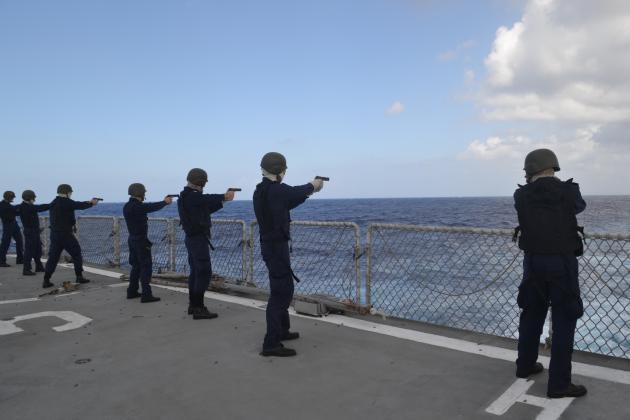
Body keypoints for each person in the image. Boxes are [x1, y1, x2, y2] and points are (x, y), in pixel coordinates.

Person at [513, 148, 588, 399]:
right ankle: (559, 385)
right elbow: (579, 207)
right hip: (561, 263)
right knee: (564, 319)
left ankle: (524, 366)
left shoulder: (521, 195)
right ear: (553, 167)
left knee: (531, 313)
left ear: (529, 170)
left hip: (533, 262)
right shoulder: (569, 191)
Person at [253, 152, 324, 357]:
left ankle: (282, 330)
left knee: (283, 289)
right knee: (280, 294)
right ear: (279, 170)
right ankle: (271, 343)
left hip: (271, 246)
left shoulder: (261, 190)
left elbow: (289, 199)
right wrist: (314, 186)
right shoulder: (276, 190)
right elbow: (294, 193)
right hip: (276, 248)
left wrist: (309, 191)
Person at [178, 168, 235, 319]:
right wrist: (224, 196)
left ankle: (193, 305)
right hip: (198, 240)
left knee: (196, 273)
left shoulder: (186, 196)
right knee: (204, 273)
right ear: (201, 182)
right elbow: (204, 199)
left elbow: (204, 209)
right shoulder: (192, 196)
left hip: (192, 239)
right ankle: (198, 308)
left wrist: (223, 201)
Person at [123, 183, 173, 303]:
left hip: (132, 239)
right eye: (143, 192)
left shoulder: (127, 206)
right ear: (140, 193)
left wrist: (164, 202)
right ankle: (146, 294)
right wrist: (165, 202)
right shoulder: (137, 206)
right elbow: (151, 207)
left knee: (136, 267)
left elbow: (147, 206)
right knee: (146, 267)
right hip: (140, 241)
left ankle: (132, 291)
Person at [42, 184, 99, 288]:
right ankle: (79, 276)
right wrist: (91, 203)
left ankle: (46, 279)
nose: (71, 194)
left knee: (53, 258)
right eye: (70, 192)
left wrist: (88, 202)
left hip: (54, 235)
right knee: (76, 253)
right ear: (67, 192)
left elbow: (75, 204)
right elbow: (79, 205)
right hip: (65, 234)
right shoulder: (67, 202)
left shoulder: (54, 202)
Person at [18, 190, 51, 275]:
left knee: (37, 250)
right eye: (33, 198)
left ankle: (39, 266)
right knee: (29, 251)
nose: (34, 200)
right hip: (31, 231)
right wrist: (52, 205)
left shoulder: (25, 206)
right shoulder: (27, 207)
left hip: (33, 231)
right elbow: (40, 208)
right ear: (29, 198)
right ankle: (26, 269)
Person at [0, 191, 24, 267]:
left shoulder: (7, 205)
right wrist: (21, 206)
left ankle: (20, 259)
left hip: (13, 224)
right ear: (9, 197)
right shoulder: (3, 205)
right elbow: (13, 211)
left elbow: (14, 211)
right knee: (5, 243)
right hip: (8, 225)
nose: (13, 199)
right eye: (12, 197)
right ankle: (1, 261)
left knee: (19, 240)